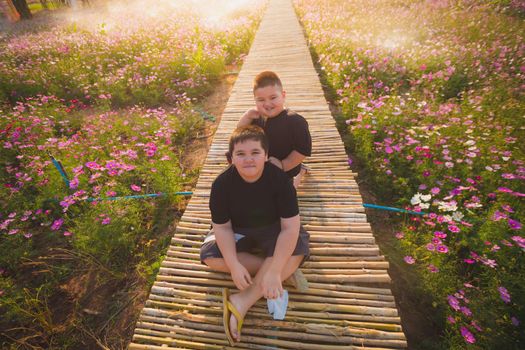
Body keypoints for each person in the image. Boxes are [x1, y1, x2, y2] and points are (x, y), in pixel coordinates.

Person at [200, 125, 309, 345]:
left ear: (266, 156)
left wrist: (275, 269)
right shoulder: (221, 185)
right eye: (240, 154)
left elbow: (289, 228)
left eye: (255, 153)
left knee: (296, 245)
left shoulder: (279, 180)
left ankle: (242, 301)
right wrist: (233, 265)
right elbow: (222, 228)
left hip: (274, 229)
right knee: (210, 256)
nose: (248, 159)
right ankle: (283, 270)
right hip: (238, 231)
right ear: (231, 158)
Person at [237, 71, 312, 188]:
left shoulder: (295, 121)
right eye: (261, 100)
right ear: (255, 100)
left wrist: (283, 165)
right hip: (260, 166)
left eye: (273, 97)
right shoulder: (256, 117)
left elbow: (302, 150)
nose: (267, 104)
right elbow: (239, 134)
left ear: (283, 95)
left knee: (286, 191)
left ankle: (301, 172)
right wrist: (247, 116)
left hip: (286, 167)